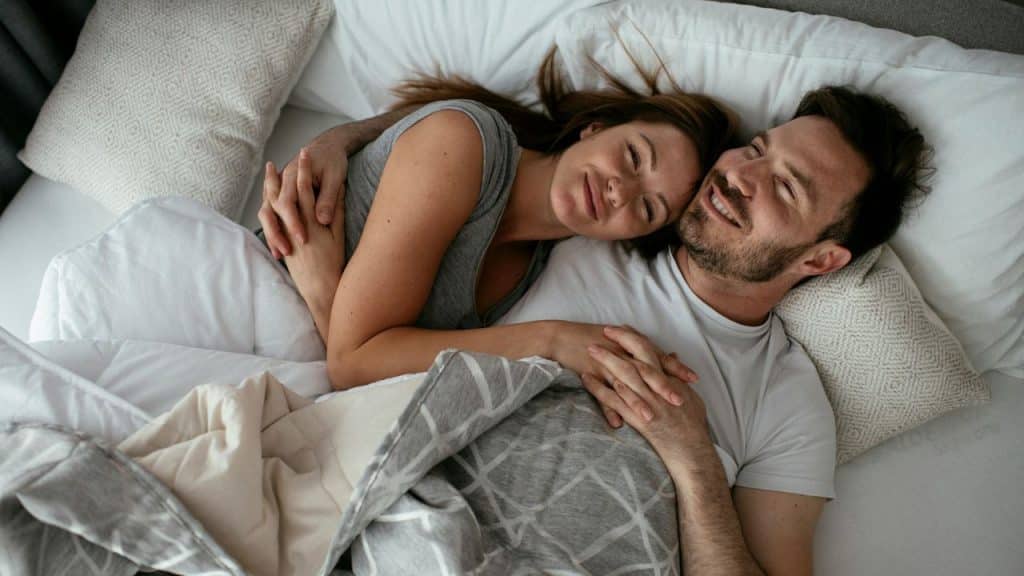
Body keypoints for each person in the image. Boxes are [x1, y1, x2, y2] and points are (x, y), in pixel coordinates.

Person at [263, 84, 930, 575]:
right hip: (405, 524)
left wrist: (694, 460)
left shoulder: (789, 402)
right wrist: (338, 142)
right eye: (755, 150)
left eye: (785, 188)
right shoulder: (591, 222)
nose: (739, 178)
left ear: (820, 259)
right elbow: (471, 144)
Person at [259, 52, 736, 392]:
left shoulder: (531, 268)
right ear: (597, 127)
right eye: (633, 156)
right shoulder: (465, 142)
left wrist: (326, 293)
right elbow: (352, 366)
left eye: (648, 208)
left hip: (282, 359)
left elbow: (366, 370)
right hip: (244, 290)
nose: (621, 190)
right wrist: (549, 339)